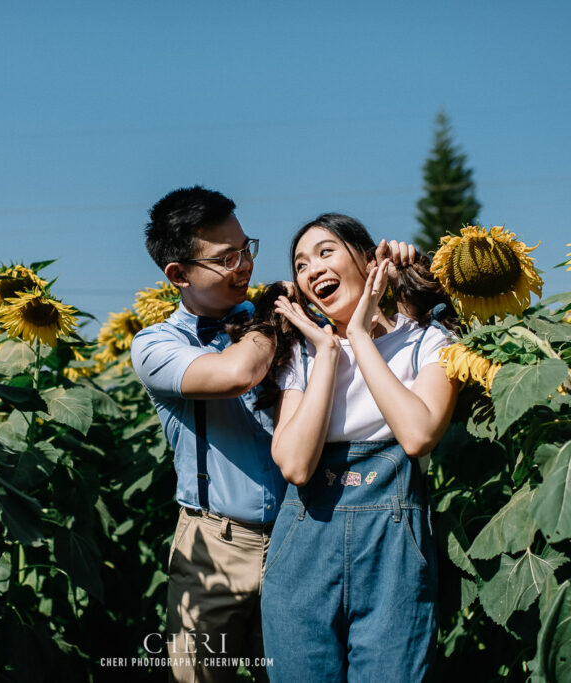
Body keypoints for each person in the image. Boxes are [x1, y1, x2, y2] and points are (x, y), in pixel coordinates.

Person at [131, 190, 416, 683]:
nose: (244, 266)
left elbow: (375, 339)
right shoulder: (157, 345)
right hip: (215, 547)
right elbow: (236, 373)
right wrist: (272, 315)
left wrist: (395, 277)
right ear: (178, 275)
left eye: (247, 249)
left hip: (302, 532)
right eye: (226, 259)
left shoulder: (287, 322)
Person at [259, 213, 461, 682]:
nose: (313, 269)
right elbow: (294, 465)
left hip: (393, 549)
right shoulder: (305, 355)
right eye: (302, 264)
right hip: (304, 543)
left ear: (370, 260)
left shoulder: (427, 340)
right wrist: (329, 353)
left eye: (326, 252)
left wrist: (358, 336)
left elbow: (418, 434)